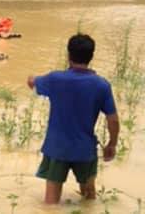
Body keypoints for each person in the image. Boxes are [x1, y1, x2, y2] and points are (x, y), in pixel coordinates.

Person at [27, 34, 120, 204]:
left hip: (57, 148)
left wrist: (32, 78)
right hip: (85, 149)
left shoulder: (55, 79)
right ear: (91, 56)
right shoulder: (101, 85)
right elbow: (113, 120)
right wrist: (111, 144)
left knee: (51, 202)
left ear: (68, 55)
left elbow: (33, 82)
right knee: (89, 198)